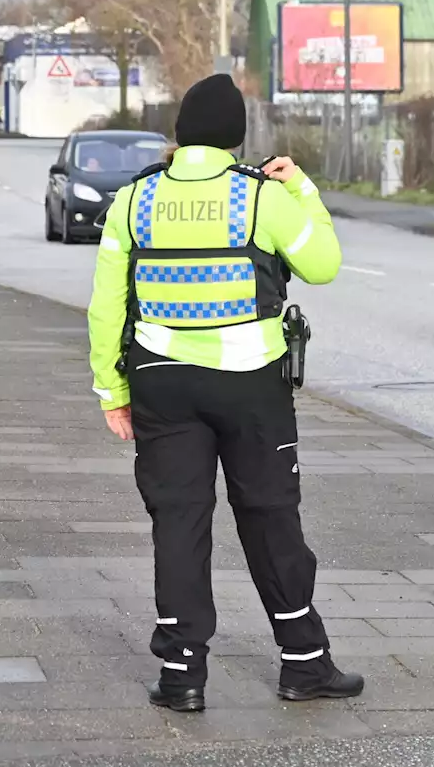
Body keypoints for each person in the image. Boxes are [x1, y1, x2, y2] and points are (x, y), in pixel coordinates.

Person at [86, 73, 362, 712]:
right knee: (269, 515)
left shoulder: (136, 201)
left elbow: (105, 306)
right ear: (237, 138)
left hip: (161, 383)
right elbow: (322, 264)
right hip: (251, 386)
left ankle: (183, 675)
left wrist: (111, 390)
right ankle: (303, 663)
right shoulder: (260, 197)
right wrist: (302, 186)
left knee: (178, 522)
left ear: (181, 134)